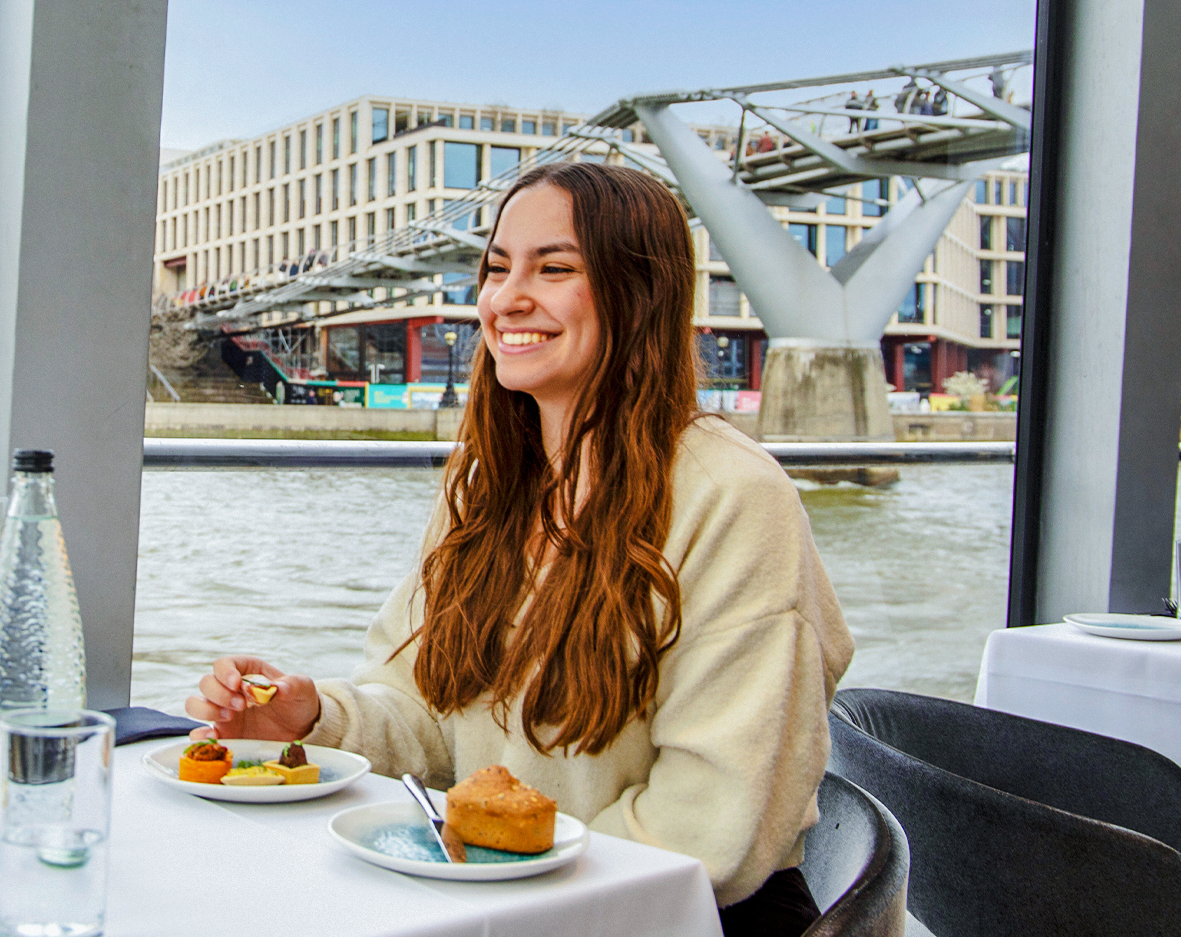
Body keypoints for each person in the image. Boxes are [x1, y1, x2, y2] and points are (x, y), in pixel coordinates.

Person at [186, 163, 854, 937]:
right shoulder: (487, 483)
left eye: (555, 268)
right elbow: (432, 722)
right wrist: (311, 721)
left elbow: (711, 829)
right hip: (512, 898)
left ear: (642, 295)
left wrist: (498, 898)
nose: (507, 299)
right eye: (498, 268)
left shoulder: (735, 497)